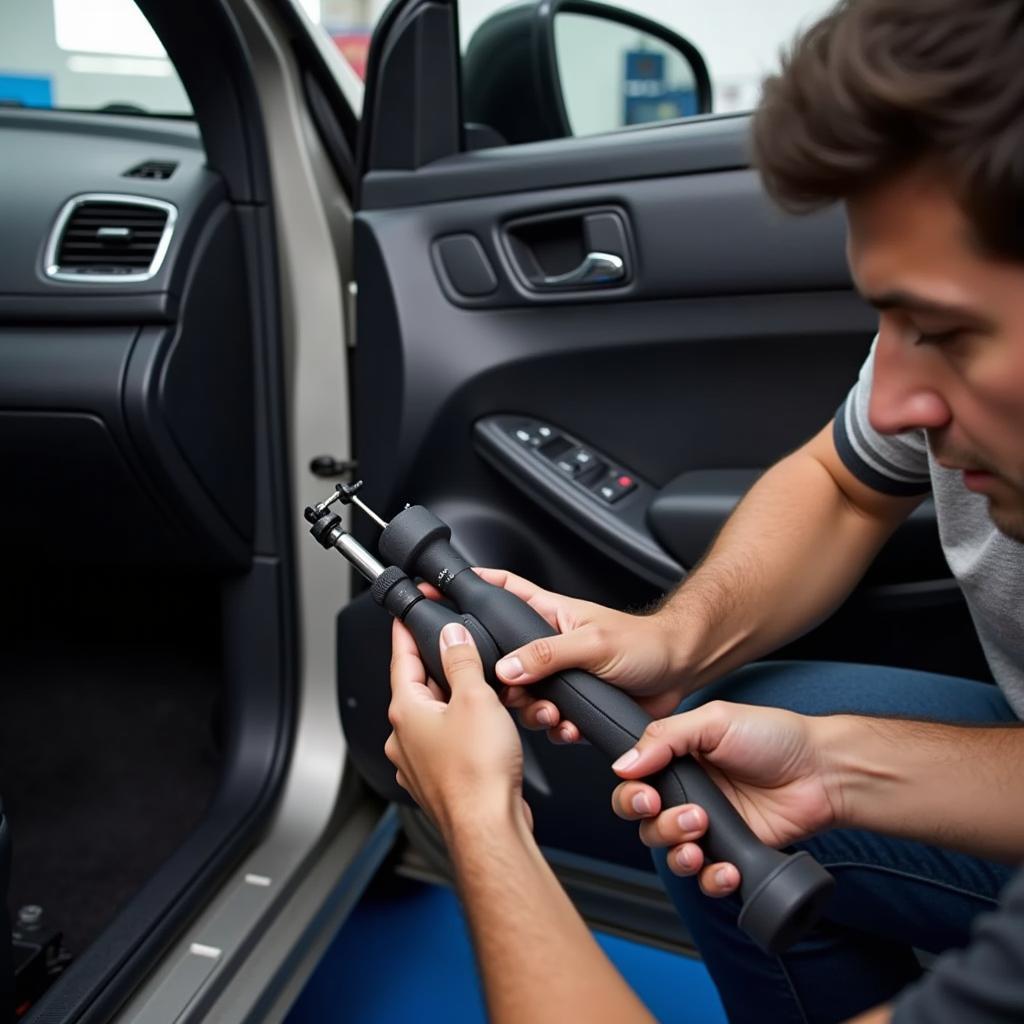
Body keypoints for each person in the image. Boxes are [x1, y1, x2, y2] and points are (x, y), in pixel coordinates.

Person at [384, 0, 1024, 1020]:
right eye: (886, 321)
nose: (891, 399)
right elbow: (841, 477)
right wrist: (683, 647)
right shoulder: (936, 375)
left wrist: (478, 822)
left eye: (943, 331)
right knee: (733, 773)